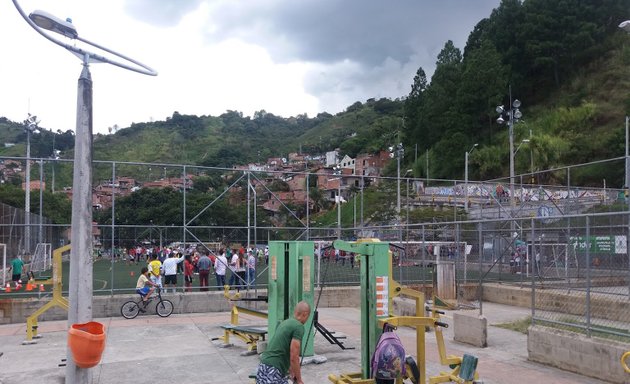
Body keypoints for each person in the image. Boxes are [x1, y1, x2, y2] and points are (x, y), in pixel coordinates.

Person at [257, 301, 311, 384]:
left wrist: (291, 371)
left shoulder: (285, 323)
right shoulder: (299, 327)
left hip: (263, 366)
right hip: (273, 369)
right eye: (308, 316)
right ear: (305, 314)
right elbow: (294, 356)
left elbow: (283, 350)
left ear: (295, 312)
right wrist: (299, 380)